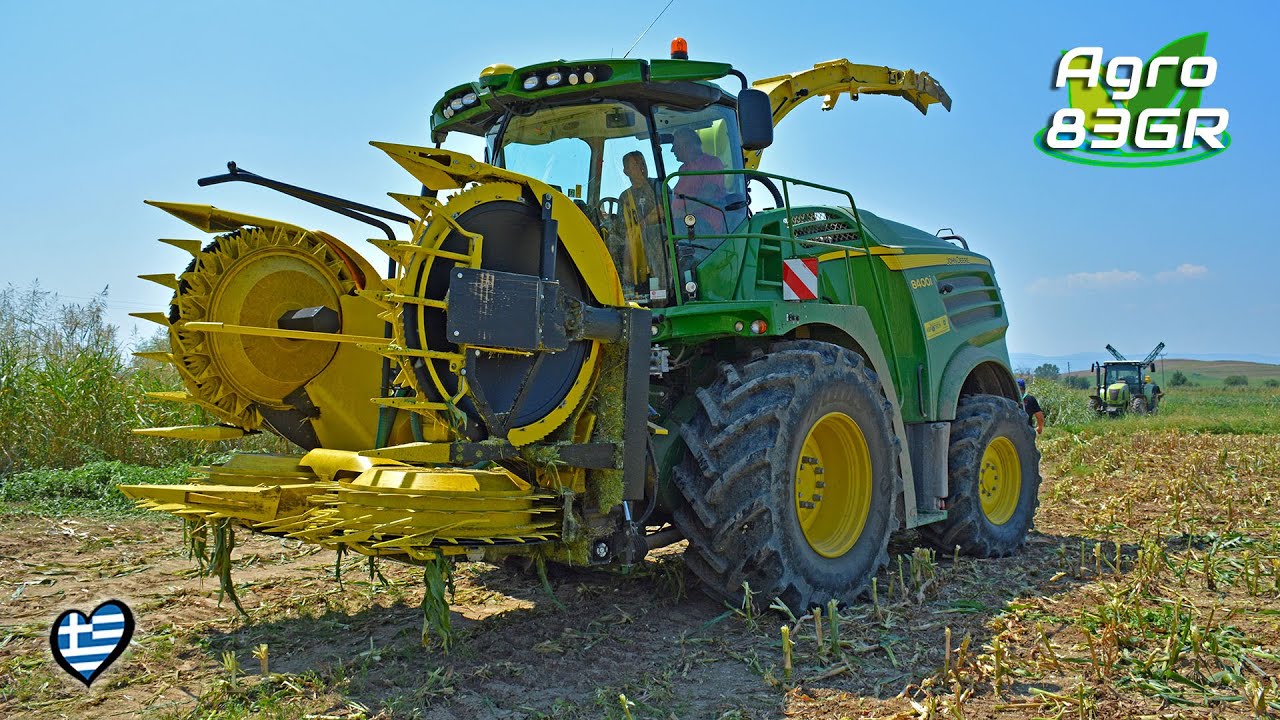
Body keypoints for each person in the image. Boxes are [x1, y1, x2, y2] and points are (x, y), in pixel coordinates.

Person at [616, 151, 670, 300]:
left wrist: (642, 225)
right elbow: (622, 225)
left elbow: (664, 211)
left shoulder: (658, 186)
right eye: (635, 164)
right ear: (626, 171)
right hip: (633, 243)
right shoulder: (625, 197)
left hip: (658, 238)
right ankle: (625, 287)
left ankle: (662, 293)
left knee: (654, 233)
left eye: (642, 163)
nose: (641, 167)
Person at [669, 127, 726, 233]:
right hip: (684, 221)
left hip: (704, 224)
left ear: (687, 147)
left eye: (675, 146)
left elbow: (706, 196)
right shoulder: (683, 169)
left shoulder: (712, 163)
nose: (672, 150)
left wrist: (681, 212)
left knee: (660, 231)